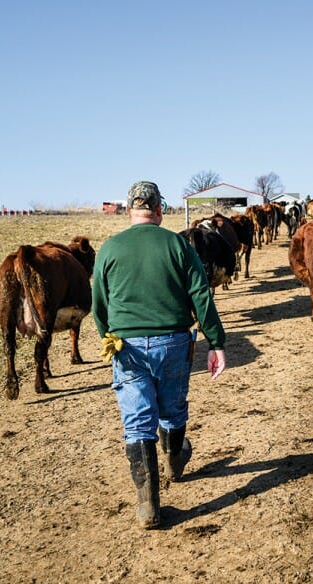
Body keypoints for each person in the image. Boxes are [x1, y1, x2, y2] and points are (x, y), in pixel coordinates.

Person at [92, 181, 226, 529]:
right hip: (173, 341)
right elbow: (201, 295)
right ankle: (174, 460)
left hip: (127, 347)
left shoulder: (110, 247)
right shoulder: (178, 244)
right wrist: (216, 341)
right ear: (159, 209)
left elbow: (99, 305)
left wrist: (109, 337)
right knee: (173, 408)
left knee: (137, 422)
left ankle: (148, 506)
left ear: (128, 209)